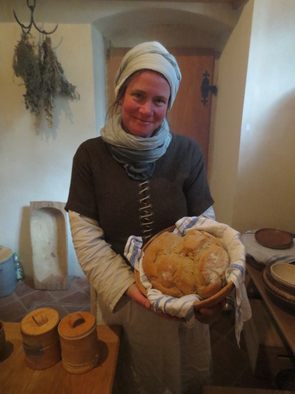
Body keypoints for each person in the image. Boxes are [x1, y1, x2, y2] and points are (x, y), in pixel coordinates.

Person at [65, 41, 223, 394]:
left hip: (181, 295)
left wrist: (208, 289)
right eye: (138, 95)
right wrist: (137, 293)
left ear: (169, 104)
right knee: (131, 377)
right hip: (124, 297)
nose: (147, 109)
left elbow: (206, 224)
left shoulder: (187, 152)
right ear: (120, 94)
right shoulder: (90, 156)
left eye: (159, 100)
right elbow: (88, 241)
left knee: (180, 376)